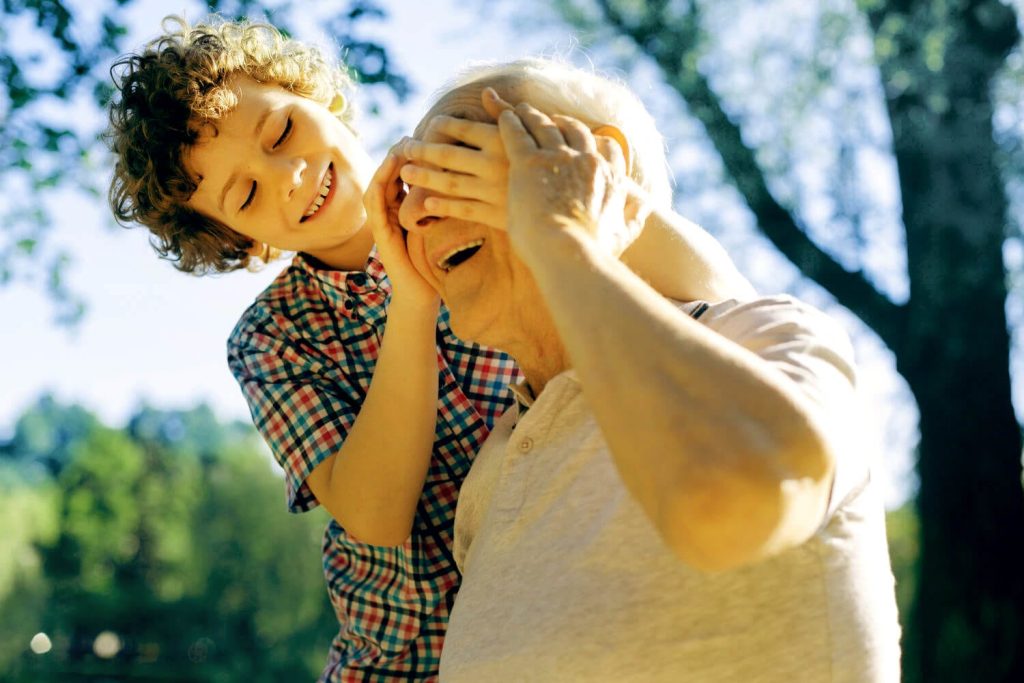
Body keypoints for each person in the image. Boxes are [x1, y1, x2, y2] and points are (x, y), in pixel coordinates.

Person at [106, 18, 749, 680]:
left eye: (282, 132)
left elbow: (714, 297)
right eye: (245, 194)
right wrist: (409, 297)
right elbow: (375, 516)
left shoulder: (467, 170)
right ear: (237, 238)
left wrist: (569, 197)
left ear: (316, 95)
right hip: (403, 656)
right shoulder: (272, 338)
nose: (290, 177)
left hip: (573, 610)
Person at [396, 61, 903, 681]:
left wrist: (562, 229)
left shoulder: (770, 336)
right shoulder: (493, 464)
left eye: (459, 162)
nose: (414, 211)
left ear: (600, 166)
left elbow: (726, 505)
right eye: (407, 186)